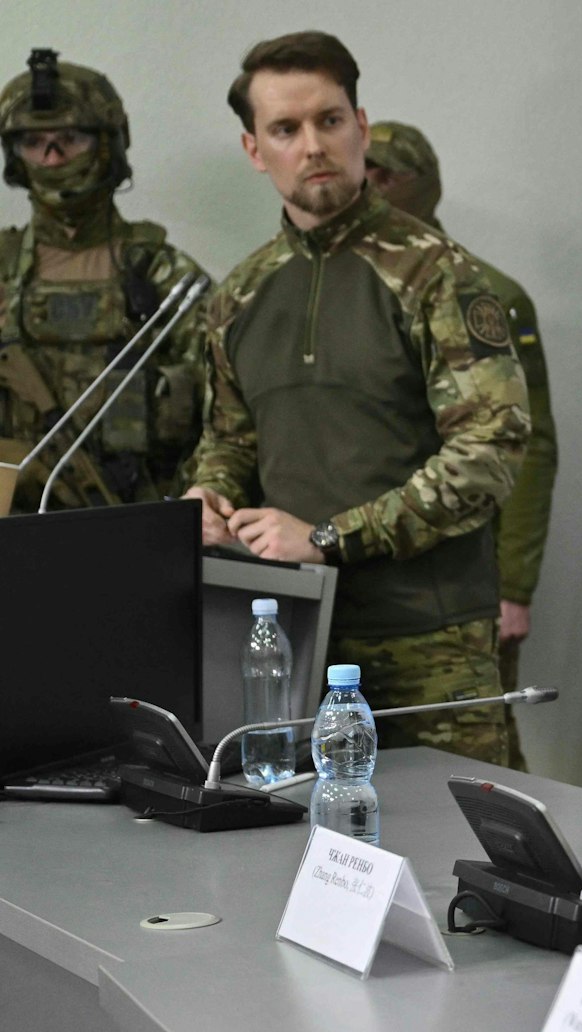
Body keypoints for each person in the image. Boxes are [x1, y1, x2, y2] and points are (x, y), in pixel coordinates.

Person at [182, 32, 529, 768]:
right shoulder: (237, 295)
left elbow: (490, 456)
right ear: (255, 149)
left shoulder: (439, 276)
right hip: (291, 639)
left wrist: (332, 535)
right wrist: (209, 493)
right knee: (298, 860)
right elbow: (232, 438)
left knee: (452, 865)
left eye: (329, 121)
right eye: (286, 129)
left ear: (361, 128)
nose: (313, 145)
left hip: (429, 641)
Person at [364, 120, 558, 766]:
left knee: (484, 761)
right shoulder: (330, 291)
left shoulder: (485, 292)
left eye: (386, 174)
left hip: (463, 575)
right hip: (359, 573)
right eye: (362, 170)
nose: (368, 185)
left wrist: (514, 586)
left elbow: (531, 449)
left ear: (424, 185)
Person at [0, 49, 208, 512]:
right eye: (33, 142)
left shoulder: (164, 276)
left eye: (69, 139)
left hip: (134, 518)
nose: (52, 157)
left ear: (107, 144)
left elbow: (225, 425)